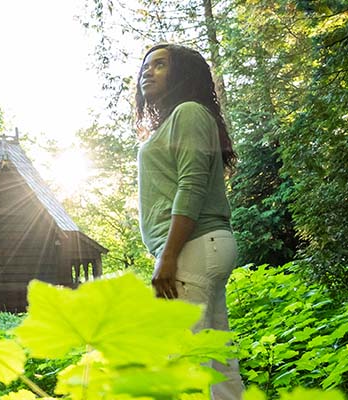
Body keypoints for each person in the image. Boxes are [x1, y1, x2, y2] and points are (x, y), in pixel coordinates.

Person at [135, 43, 244, 400]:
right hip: (201, 246)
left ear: (181, 73)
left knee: (182, 359)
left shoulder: (190, 112)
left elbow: (192, 186)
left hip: (192, 247)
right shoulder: (176, 120)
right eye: (146, 67)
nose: (147, 72)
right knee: (217, 363)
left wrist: (167, 256)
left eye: (160, 65)